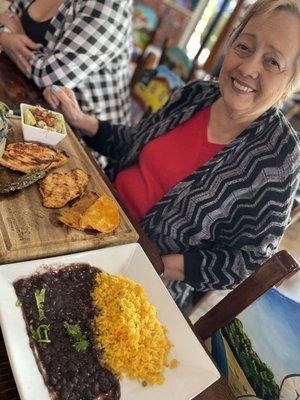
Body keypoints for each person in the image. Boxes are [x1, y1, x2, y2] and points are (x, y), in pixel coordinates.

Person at [44, 0, 300, 310]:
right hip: (87, 215)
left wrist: (160, 264)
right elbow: (132, 143)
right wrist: (81, 119)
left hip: (141, 279)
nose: (247, 68)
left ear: (291, 83)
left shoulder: (279, 157)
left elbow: (245, 261)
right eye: (244, 46)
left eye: (272, 62)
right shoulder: (195, 95)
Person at [0, 0, 132, 124]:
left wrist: (13, 39)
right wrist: (5, 37)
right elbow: (6, 18)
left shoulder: (109, 7)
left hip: (78, 132)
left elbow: (51, 78)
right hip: (23, 95)